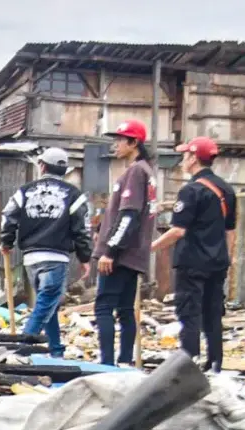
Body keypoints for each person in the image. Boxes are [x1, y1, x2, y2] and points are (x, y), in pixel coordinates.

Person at [151, 136, 236, 372]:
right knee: (213, 314)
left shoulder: (191, 191)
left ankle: (189, 366)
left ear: (193, 158)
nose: (182, 160)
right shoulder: (227, 190)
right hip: (217, 263)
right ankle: (215, 364)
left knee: (189, 313)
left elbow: (178, 231)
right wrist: (226, 259)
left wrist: (150, 247)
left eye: (185, 155)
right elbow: (231, 231)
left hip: (192, 262)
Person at [0, 147, 93, 358]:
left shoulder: (24, 191)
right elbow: (81, 229)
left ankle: (56, 349)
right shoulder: (74, 196)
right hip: (56, 257)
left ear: (42, 166)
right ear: (64, 170)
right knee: (46, 303)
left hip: (31, 258)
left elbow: (8, 217)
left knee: (46, 302)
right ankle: (21, 349)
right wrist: (85, 257)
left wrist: (6, 241)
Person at [93, 119, 157, 367]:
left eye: (121, 140)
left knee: (104, 308)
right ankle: (125, 362)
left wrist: (109, 251)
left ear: (134, 143)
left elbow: (128, 215)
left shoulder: (135, 172)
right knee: (126, 309)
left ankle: (107, 364)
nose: (116, 144)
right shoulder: (147, 172)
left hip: (120, 254)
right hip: (134, 254)